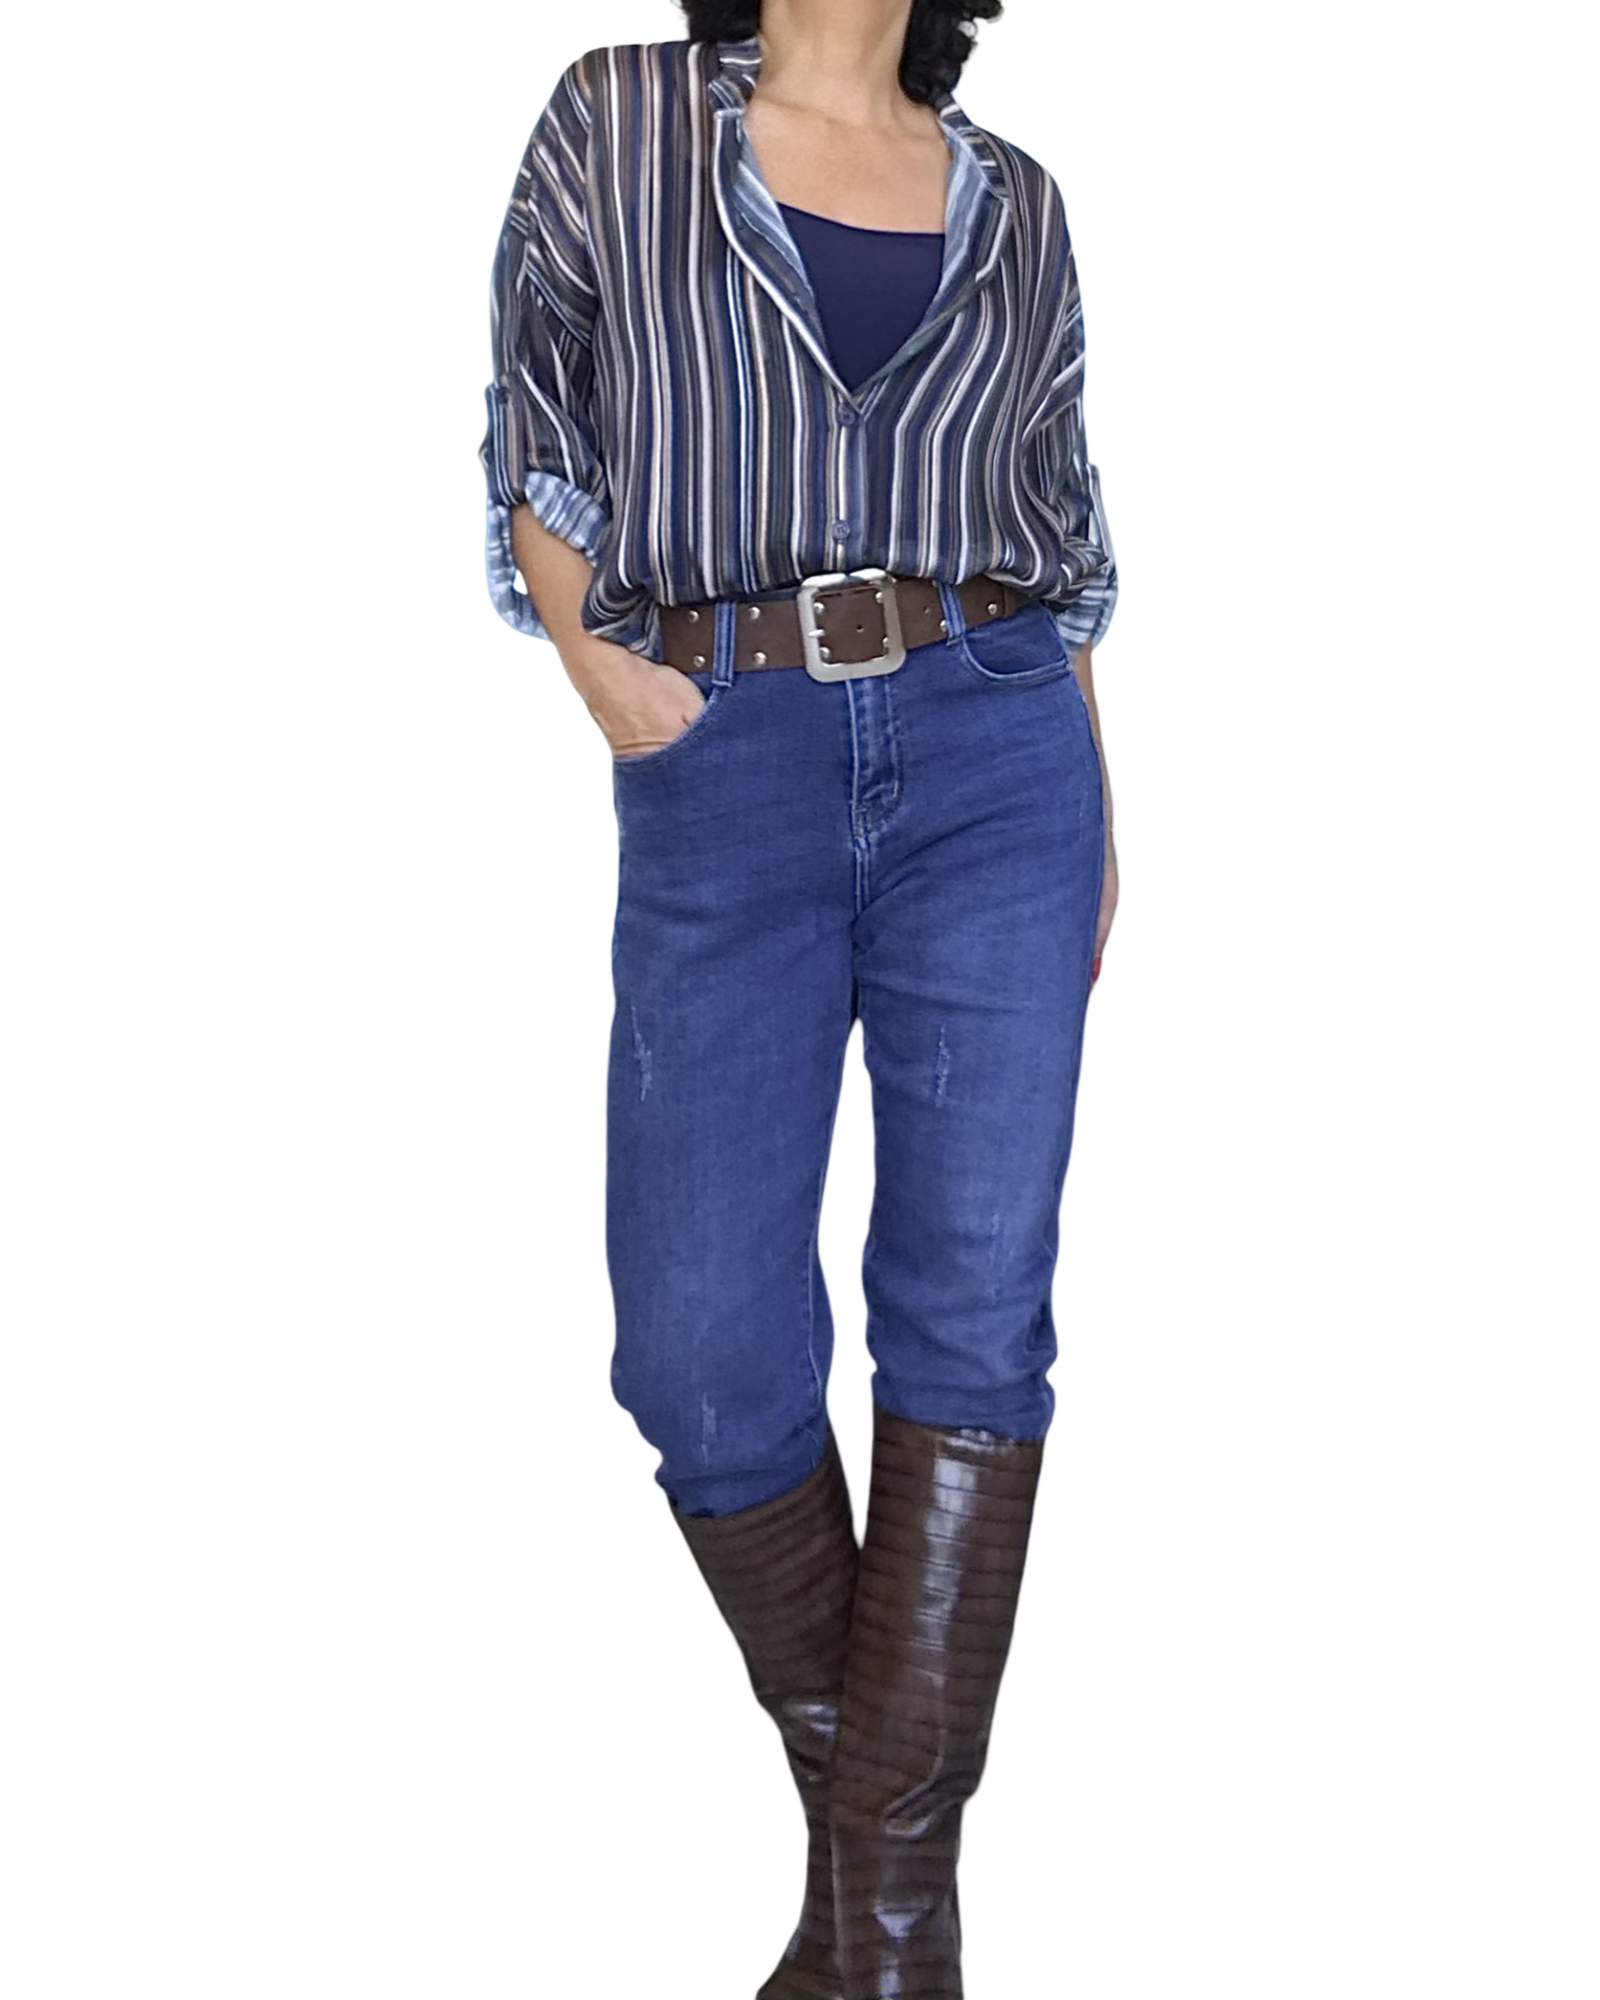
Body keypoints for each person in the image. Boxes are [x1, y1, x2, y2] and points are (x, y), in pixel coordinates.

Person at [478, 3, 1119, 1992]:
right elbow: (536, 429)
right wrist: (612, 683)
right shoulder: (620, 117)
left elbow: (1061, 528)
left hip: (999, 753)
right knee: (697, 1352)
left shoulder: (1018, 204)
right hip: (725, 750)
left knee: (970, 1313)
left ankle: (884, 1937)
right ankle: (881, 1913)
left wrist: (1098, 806)